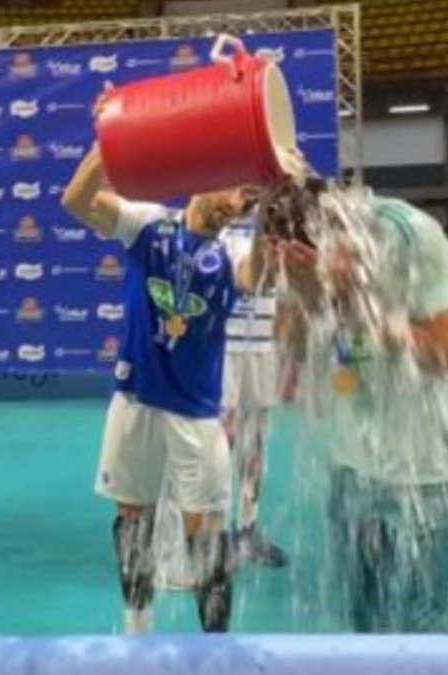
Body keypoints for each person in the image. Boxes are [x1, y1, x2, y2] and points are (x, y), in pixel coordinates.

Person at [268, 178, 448, 634]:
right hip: (352, 465)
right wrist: (307, 295)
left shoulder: (410, 236)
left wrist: (361, 306)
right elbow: (293, 353)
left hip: (428, 471)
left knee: (433, 626)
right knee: (364, 622)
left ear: (341, 235)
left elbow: (445, 357)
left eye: (322, 258)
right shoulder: (299, 254)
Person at [63, 97, 263, 630]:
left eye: (247, 200)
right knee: (133, 518)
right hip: (134, 401)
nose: (236, 205)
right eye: (232, 190)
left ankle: (217, 646)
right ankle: (137, 631)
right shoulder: (147, 224)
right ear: (204, 177)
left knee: (206, 530)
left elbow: (254, 279)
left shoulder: (238, 249)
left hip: (196, 412)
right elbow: (76, 200)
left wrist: (273, 224)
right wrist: (107, 142)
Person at [219, 193, 287, 568]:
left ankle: (247, 529)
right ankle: (214, 533)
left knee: (255, 446)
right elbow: (246, 279)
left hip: (263, 350)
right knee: (221, 444)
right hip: (224, 349)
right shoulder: (220, 233)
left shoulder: (280, 235)